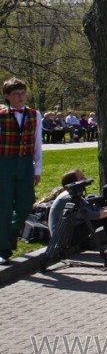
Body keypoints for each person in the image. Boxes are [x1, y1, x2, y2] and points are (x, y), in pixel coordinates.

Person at [48, 170, 107, 258]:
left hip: (69, 231)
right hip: (63, 238)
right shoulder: (69, 198)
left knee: (106, 215)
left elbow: (91, 209)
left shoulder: (73, 194)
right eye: (81, 178)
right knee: (106, 217)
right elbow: (90, 215)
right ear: (74, 183)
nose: (85, 179)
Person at [1, 78, 43, 265]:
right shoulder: (1, 115)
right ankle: (3, 249)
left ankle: (10, 233)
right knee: (4, 207)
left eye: (23, 93)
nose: (21, 97)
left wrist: (37, 169)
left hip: (25, 164)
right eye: (16, 94)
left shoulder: (35, 115)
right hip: (5, 163)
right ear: (7, 97)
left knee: (26, 205)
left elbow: (37, 143)